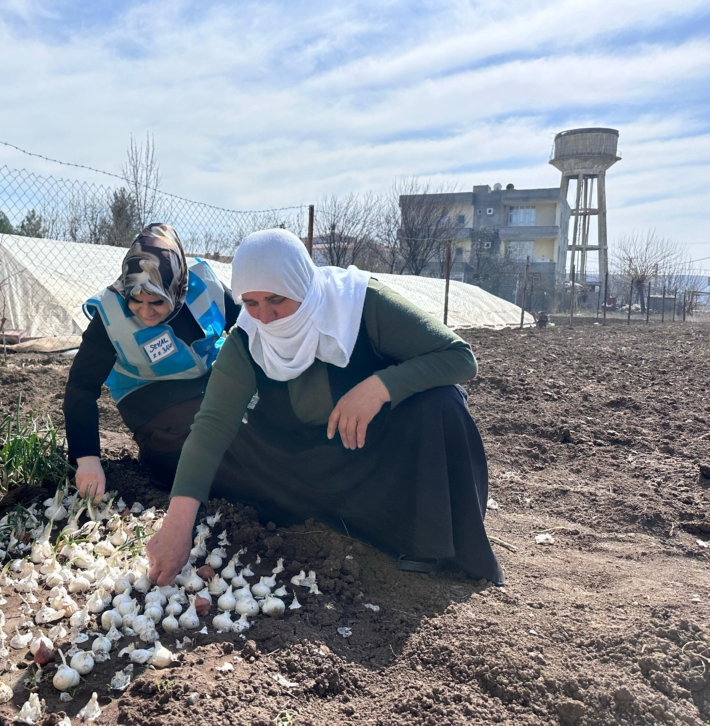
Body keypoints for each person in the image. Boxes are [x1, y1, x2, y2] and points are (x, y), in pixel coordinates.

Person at [145, 228, 503, 586]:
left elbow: (459, 358)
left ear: (301, 284)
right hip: (301, 463)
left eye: (276, 300)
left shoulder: (361, 304)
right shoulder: (247, 338)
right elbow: (212, 426)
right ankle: (328, 513)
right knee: (206, 441)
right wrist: (177, 527)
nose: (265, 317)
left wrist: (379, 388)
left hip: (375, 455)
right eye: (251, 303)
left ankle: (427, 538)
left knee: (441, 402)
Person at [64, 223, 240, 499]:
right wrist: (87, 459)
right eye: (136, 300)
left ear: (176, 287)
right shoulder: (110, 315)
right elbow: (80, 388)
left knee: (242, 429)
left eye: (157, 302)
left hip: (206, 381)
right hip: (148, 398)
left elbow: (249, 322)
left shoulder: (203, 284)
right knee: (195, 445)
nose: (145, 312)